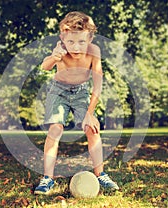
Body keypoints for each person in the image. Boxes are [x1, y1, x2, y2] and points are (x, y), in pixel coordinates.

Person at [34, 11, 119, 195]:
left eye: (81, 41)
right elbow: (44, 66)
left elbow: (97, 85)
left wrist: (89, 113)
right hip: (59, 91)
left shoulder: (94, 52)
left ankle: (101, 175)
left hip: (81, 92)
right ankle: (47, 179)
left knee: (92, 129)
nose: (76, 47)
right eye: (70, 41)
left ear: (90, 38)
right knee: (55, 129)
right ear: (63, 38)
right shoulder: (60, 50)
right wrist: (54, 57)